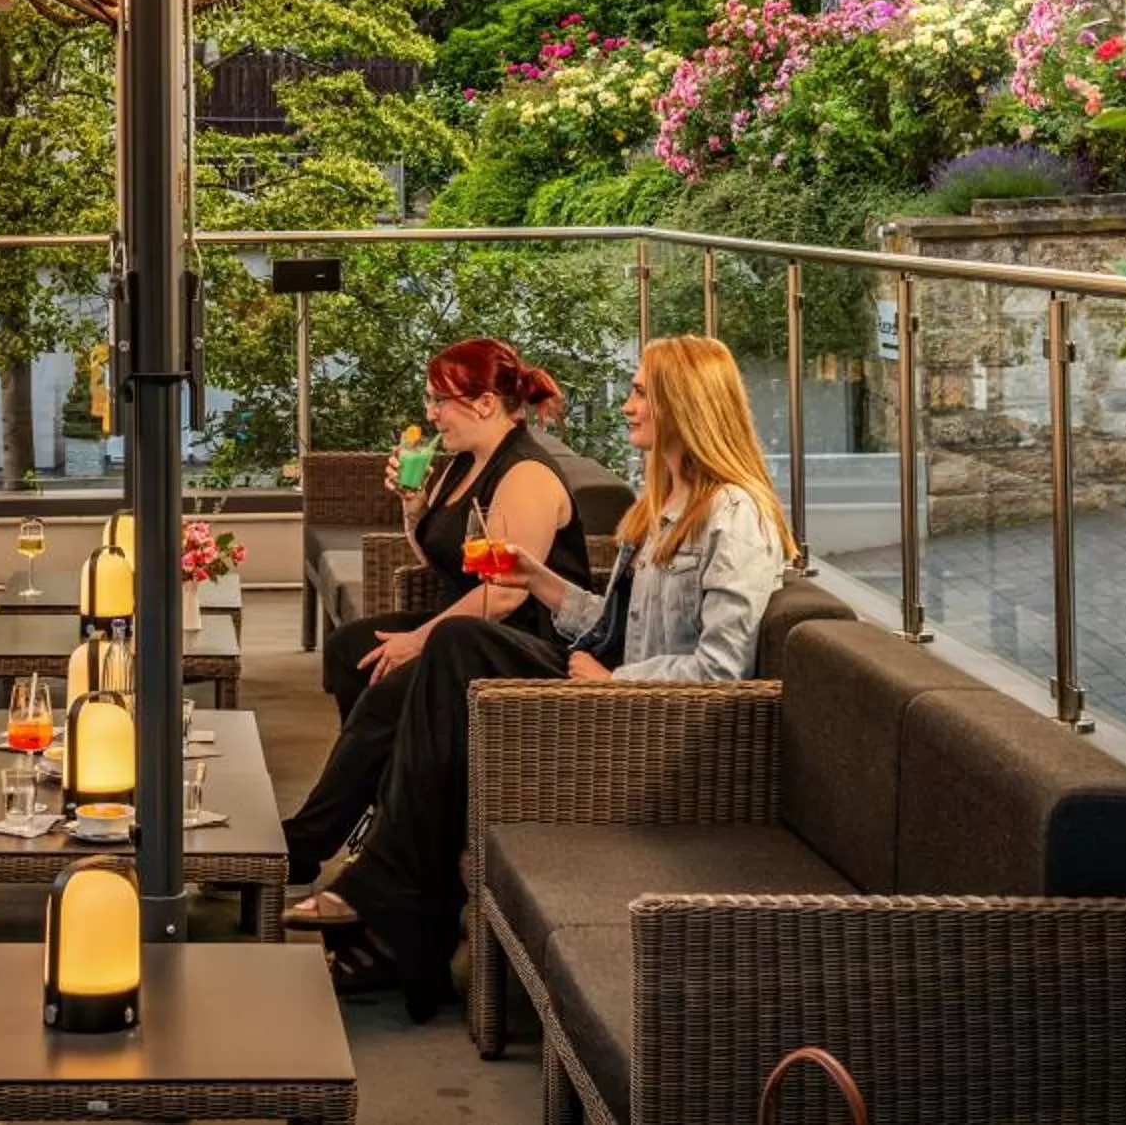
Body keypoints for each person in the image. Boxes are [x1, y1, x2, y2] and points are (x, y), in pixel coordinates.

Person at [291, 334, 796, 1020]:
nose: (626, 405)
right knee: (435, 656)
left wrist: (614, 685)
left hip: (645, 718)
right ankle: (391, 901)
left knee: (453, 648)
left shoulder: (734, 516)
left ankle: (376, 884)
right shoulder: (664, 505)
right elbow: (611, 624)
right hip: (609, 681)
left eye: (640, 392)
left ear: (684, 402)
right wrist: (539, 578)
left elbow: (722, 668)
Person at [281, 338, 591, 885]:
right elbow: (437, 558)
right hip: (461, 623)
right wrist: (413, 506)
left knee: (389, 687)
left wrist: (418, 640)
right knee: (351, 649)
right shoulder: (460, 465)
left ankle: (305, 843)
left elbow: (506, 594)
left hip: (513, 642)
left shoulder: (526, 475)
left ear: (485, 404)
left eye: (439, 400)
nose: (430, 413)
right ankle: (386, 803)